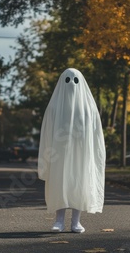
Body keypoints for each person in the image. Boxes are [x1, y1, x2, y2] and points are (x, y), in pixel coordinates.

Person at [38, 68, 106, 233]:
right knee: (59, 184)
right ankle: (59, 220)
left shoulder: (89, 108)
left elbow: (96, 134)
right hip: (58, 155)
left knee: (79, 183)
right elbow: (46, 133)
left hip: (82, 155)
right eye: (68, 80)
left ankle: (76, 221)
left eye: (76, 81)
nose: (72, 84)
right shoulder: (54, 107)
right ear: (62, 82)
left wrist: (96, 155)